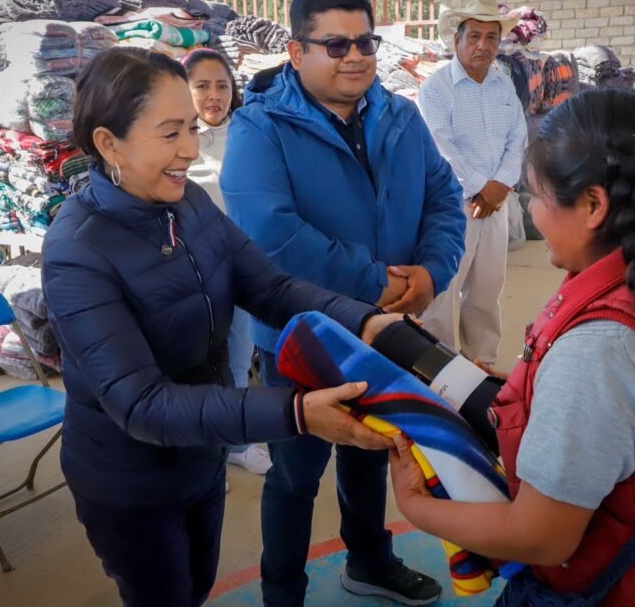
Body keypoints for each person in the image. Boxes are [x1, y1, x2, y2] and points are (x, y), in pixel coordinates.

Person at [42, 47, 400, 607]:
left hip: (199, 454)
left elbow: (272, 288)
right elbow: (142, 405)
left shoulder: (188, 208)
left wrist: (370, 322)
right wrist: (298, 414)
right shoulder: (77, 251)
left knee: (199, 584)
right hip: (130, 481)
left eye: (190, 126)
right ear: (109, 143)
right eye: (169, 133)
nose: (190, 148)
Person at [389, 88, 635, 604]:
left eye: (538, 196)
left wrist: (415, 506)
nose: (535, 214)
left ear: (593, 204)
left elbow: (542, 537)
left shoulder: (603, 346)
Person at [222, 0, 465, 606]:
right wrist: (377, 281)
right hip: (300, 337)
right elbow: (272, 238)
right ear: (298, 51)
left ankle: (369, 563)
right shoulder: (260, 128)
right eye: (335, 44)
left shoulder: (400, 115)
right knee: (296, 477)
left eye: (364, 41)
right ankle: (283, 593)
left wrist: (432, 271)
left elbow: (442, 196)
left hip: (384, 330)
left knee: (370, 455)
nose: (355, 55)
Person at [418, 0, 526, 367]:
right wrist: (483, 185)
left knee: (486, 291)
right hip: (452, 204)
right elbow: (439, 145)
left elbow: (518, 138)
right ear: (457, 41)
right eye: (474, 36)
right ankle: (439, 374)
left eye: (492, 37)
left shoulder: (503, 84)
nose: (483, 45)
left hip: (495, 204)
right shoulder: (436, 88)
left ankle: (482, 365)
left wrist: (500, 186)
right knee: (444, 292)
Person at [182, 47, 273, 485]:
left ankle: (235, 444)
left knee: (239, 356)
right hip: (190, 272)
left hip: (241, 265)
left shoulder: (250, 131)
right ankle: (197, 439)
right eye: (201, 86)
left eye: (221, 85)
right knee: (193, 361)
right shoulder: (177, 138)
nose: (213, 95)